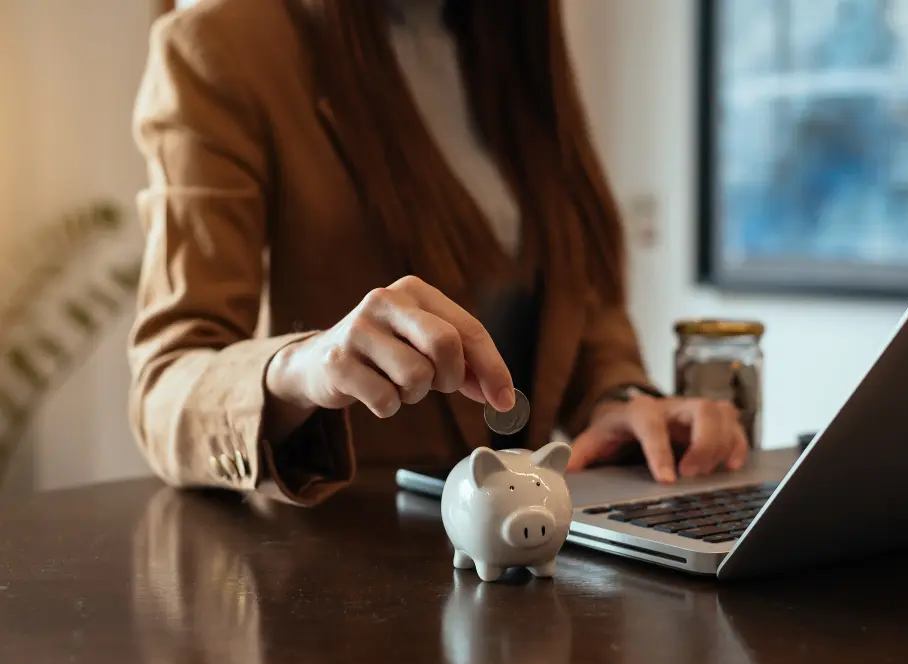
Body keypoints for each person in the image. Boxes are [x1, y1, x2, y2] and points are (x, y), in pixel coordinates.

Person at [128, 0, 748, 507]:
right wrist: (303, 367)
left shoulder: (513, 37)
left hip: (520, 554)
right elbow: (165, 387)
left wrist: (621, 400)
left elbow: (571, 295)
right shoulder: (221, 46)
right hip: (340, 574)